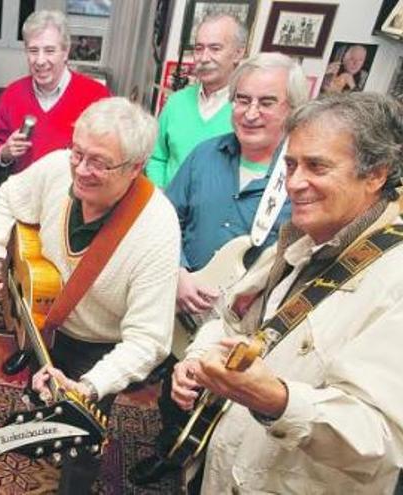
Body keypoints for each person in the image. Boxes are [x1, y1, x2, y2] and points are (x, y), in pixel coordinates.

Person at [174, 92, 403, 493]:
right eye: (291, 164)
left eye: (317, 166)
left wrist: (277, 402)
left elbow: (382, 439)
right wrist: (197, 359)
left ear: (376, 174)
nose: (294, 183)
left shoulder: (394, 278)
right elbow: (230, 316)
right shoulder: (299, 242)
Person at [0, 97, 180, 494]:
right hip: (46, 322)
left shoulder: (157, 227)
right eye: (78, 152)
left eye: (99, 163)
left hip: (99, 346)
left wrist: (87, 387)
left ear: (135, 167)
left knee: (81, 436)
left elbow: (150, 340)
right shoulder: (59, 167)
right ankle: (35, 437)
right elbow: (8, 196)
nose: (81, 170)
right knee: (38, 394)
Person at [130, 52, 307, 486]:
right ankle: (171, 452)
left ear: (293, 109)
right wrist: (177, 273)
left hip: (251, 330)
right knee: (178, 396)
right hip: (185, 310)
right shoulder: (204, 155)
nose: (250, 113)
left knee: (237, 423)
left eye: (267, 102)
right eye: (241, 99)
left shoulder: (303, 176)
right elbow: (164, 222)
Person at [0, 10, 110, 173]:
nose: (40, 61)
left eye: (49, 51)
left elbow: (107, 153)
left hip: (74, 194)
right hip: (25, 192)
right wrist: (6, 152)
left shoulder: (97, 96)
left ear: (65, 51)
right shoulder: (11, 95)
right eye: (33, 51)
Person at [145, 14, 246, 189]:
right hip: (168, 210)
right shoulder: (176, 102)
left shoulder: (246, 110)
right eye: (199, 49)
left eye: (215, 48)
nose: (204, 58)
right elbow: (156, 157)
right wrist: (160, 194)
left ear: (238, 53)